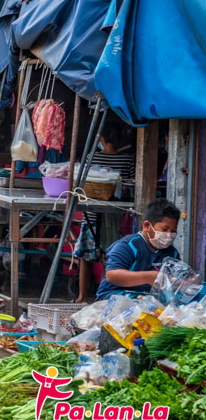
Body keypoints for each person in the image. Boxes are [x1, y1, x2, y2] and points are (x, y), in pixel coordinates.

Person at [76, 122, 137, 301]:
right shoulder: (127, 160)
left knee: (85, 258)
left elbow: (82, 183)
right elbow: (130, 185)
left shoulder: (91, 157)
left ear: (101, 139)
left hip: (91, 214)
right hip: (115, 214)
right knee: (110, 258)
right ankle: (103, 297)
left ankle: (81, 297)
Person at [94, 199, 181, 301]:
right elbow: (112, 276)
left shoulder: (172, 253)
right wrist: (148, 277)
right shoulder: (128, 246)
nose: (169, 235)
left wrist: (186, 282)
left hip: (148, 299)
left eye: (173, 231)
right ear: (147, 226)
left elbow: (176, 278)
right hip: (115, 297)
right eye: (165, 229)